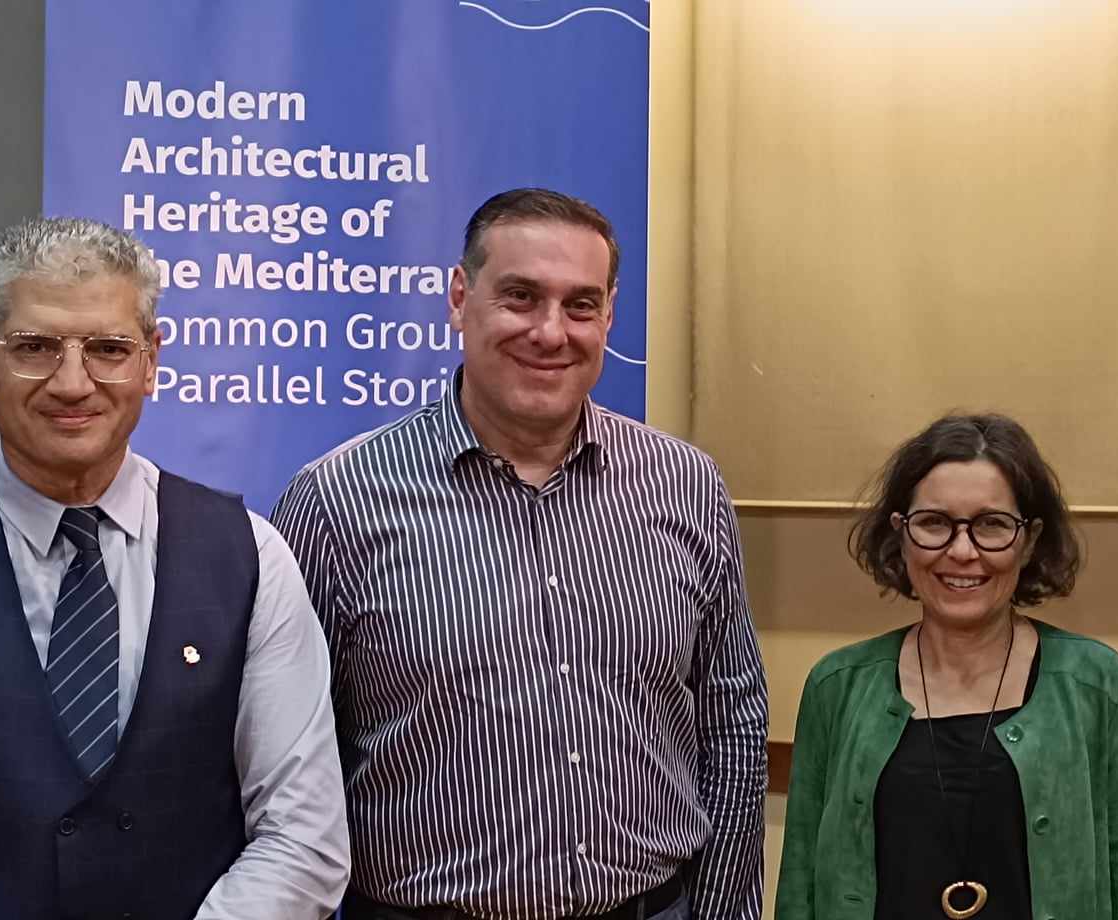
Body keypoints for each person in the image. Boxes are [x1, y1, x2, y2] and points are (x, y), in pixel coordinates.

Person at [0, 217, 350, 919]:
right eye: (35, 347)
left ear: (151, 360)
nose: (73, 382)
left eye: (109, 349)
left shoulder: (252, 558)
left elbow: (303, 839)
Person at [272, 187, 768, 920]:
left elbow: (733, 722)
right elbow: (287, 758)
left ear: (609, 314)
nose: (550, 331)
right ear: (459, 297)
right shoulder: (338, 499)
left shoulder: (686, 485)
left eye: (580, 305)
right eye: (521, 297)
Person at [776, 413, 1118, 920]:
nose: (962, 551)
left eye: (992, 525)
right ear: (901, 534)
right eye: (934, 523)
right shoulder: (837, 687)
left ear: (1030, 539)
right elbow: (800, 887)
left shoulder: (1096, 684)